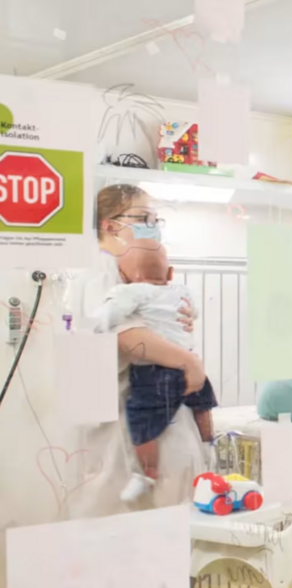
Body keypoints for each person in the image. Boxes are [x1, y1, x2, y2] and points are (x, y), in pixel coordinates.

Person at [65, 184, 207, 517]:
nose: (151, 227)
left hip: (146, 404)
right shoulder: (101, 268)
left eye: (155, 220)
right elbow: (126, 335)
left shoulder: (121, 269)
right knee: (149, 511)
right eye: (142, 218)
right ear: (109, 225)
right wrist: (188, 361)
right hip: (128, 412)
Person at [93, 239, 217, 503]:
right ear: (170, 273)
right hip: (187, 363)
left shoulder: (130, 291)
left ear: (126, 275)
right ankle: (210, 444)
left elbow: (108, 318)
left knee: (142, 420)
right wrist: (189, 358)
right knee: (202, 404)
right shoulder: (180, 290)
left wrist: (93, 323)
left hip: (155, 373)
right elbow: (189, 313)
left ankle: (147, 474)